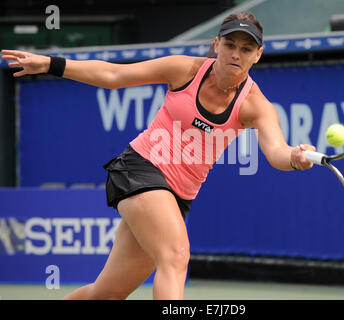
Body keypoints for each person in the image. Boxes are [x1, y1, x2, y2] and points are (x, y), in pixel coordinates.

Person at [1, 11, 316, 300]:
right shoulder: (184, 69)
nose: (236, 54)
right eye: (230, 44)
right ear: (217, 44)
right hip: (140, 169)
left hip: (178, 196)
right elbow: (114, 76)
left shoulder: (256, 106)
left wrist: (296, 158)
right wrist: (51, 64)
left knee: (106, 293)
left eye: (246, 49)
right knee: (176, 255)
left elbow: (276, 151)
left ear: (257, 55)